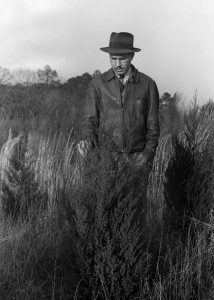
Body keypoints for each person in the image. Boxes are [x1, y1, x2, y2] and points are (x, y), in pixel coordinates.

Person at [79, 32, 160, 173]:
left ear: (132, 56)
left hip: (137, 159)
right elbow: (89, 121)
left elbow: (153, 126)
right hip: (105, 159)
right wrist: (87, 142)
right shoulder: (98, 84)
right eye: (113, 59)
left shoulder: (148, 85)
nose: (117, 64)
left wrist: (146, 155)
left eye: (122, 59)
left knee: (136, 196)